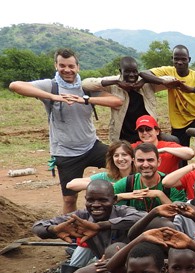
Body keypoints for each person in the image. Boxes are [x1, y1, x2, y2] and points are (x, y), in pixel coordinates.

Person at [9, 48, 123, 213]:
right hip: (65, 152)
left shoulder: (86, 87)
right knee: (70, 199)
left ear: (78, 67)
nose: (67, 70)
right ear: (56, 65)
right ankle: (70, 233)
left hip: (92, 145)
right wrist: (54, 97)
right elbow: (15, 85)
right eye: (62, 65)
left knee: (123, 167)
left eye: (71, 66)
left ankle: (122, 215)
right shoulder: (51, 86)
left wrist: (85, 99)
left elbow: (116, 101)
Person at [32, 179, 145, 269]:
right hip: (104, 268)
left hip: (133, 269)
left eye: (103, 200)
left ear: (114, 200)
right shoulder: (82, 216)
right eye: (90, 200)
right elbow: (38, 227)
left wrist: (100, 226)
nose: (95, 205)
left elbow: (144, 217)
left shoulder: (123, 211)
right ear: (85, 199)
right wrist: (54, 229)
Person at [139, 45, 195, 148]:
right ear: (172, 59)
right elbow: (143, 73)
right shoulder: (168, 71)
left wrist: (192, 89)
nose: (179, 62)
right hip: (177, 124)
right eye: (176, 59)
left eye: (183, 59)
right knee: (180, 155)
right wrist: (164, 81)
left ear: (189, 59)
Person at [82, 56, 162, 143]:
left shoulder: (147, 84)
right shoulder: (114, 84)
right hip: (123, 137)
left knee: (172, 140)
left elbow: (170, 80)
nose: (131, 75)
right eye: (127, 72)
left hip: (147, 134)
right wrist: (116, 82)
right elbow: (85, 84)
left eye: (134, 71)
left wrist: (144, 80)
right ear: (121, 71)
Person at [112, 143, 187, 212]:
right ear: (134, 162)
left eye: (150, 160)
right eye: (140, 160)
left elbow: (180, 216)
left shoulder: (172, 184)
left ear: (159, 162)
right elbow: (104, 201)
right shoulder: (128, 182)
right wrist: (123, 196)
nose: (145, 165)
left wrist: (160, 195)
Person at [130, 115, 195, 174]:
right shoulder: (134, 147)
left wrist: (163, 150)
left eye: (148, 129)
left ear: (157, 131)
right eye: (141, 130)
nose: (144, 133)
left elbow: (190, 154)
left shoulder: (168, 146)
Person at [66, 141, 136, 192]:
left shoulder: (140, 177)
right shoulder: (107, 177)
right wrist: (104, 185)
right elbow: (71, 184)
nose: (120, 159)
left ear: (133, 158)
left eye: (124, 154)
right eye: (116, 155)